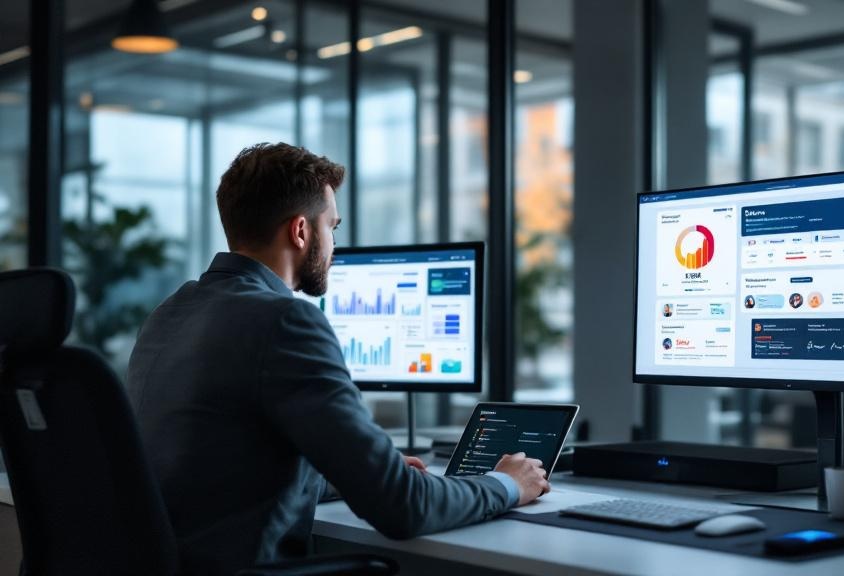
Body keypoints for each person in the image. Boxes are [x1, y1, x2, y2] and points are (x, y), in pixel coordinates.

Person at [126, 143, 549, 575]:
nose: (334, 245)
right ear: (300, 231)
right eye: (333, 226)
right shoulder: (285, 320)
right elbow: (401, 508)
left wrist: (356, 472)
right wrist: (506, 485)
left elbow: (213, 472)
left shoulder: (170, 312)